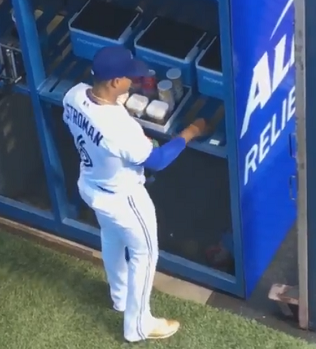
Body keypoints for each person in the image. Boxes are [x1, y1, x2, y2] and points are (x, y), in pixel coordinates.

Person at [62, 46, 207, 342]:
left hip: (91, 185)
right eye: (128, 77)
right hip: (123, 197)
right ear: (115, 81)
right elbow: (158, 161)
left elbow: (98, 123)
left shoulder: (74, 95)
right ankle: (139, 325)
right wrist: (190, 132)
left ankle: (119, 297)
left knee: (112, 238)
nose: (133, 80)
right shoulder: (119, 126)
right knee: (145, 253)